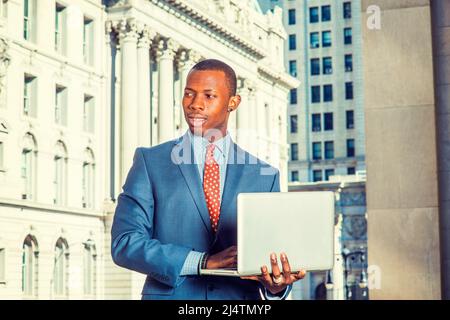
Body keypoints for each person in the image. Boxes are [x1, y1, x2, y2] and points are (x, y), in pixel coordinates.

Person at [111, 59, 306, 300]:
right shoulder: (150, 162)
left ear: (233, 103)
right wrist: (202, 262)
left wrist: (275, 288)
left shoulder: (264, 176)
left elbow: (270, 255)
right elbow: (125, 243)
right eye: (189, 94)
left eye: (208, 96)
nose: (195, 105)